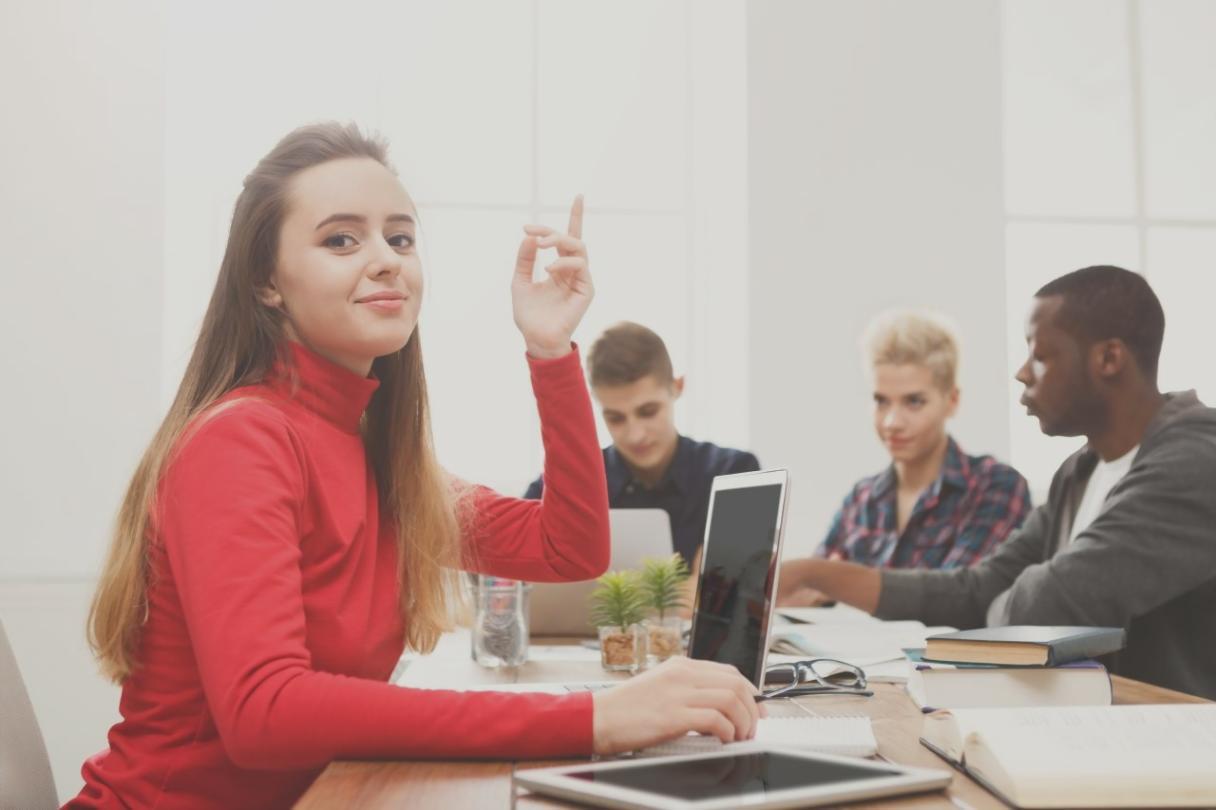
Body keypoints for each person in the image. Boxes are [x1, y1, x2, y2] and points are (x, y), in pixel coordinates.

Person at [70, 123, 760, 809]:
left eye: (399, 238)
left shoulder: (374, 450)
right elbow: (265, 712)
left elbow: (570, 547)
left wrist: (551, 351)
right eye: (341, 239)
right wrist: (593, 719)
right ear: (266, 282)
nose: (386, 260)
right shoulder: (242, 440)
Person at [778, 266, 1216, 700]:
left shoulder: (1196, 461)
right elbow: (978, 588)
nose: (1023, 373)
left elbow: (1044, 607)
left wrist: (997, 610)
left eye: (1040, 356)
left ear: (1109, 359)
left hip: (1177, 741)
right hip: (1097, 722)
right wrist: (820, 573)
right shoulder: (1080, 471)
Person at [525, 321, 760, 569]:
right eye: (615, 418)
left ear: (677, 387)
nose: (635, 435)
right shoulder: (565, 484)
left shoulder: (735, 473)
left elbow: (738, 587)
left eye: (648, 411)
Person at [814, 311, 1030, 571]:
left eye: (914, 402)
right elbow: (808, 590)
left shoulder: (994, 487)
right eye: (880, 401)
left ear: (952, 401)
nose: (892, 422)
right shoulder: (861, 499)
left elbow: (956, 598)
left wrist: (839, 583)